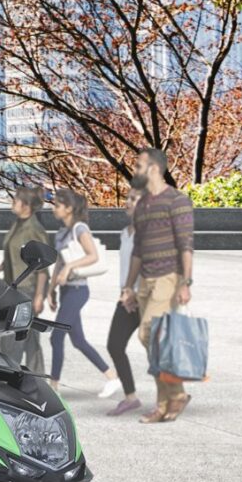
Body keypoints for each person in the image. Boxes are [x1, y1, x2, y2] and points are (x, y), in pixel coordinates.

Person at [120, 147, 195, 423]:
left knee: (147, 333)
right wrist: (128, 286)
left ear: (153, 168)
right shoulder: (142, 205)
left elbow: (186, 244)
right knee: (156, 342)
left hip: (168, 278)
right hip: (145, 281)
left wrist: (186, 282)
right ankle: (168, 402)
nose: (135, 170)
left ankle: (170, 398)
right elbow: (137, 250)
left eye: (138, 166)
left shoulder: (177, 201)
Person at [45, 188, 120, 398]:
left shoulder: (80, 229)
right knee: (78, 340)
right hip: (67, 291)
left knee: (56, 336)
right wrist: (51, 291)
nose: (54, 209)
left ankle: (54, 386)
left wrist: (70, 268)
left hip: (79, 290)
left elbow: (93, 256)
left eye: (57, 205)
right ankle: (112, 377)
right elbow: (59, 263)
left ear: (68, 208)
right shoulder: (62, 233)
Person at [103, 176, 149, 416]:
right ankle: (131, 397)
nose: (127, 202)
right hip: (127, 297)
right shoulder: (126, 232)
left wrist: (134, 291)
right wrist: (125, 292)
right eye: (128, 198)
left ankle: (174, 394)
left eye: (134, 199)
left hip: (147, 298)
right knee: (115, 344)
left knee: (156, 348)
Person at [0, 187, 49, 376]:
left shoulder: (33, 230)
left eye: (15, 201)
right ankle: (33, 375)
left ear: (25, 205)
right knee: (27, 337)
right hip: (13, 287)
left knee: (17, 337)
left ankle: (17, 374)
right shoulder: (18, 225)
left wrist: (40, 296)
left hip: (27, 289)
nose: (13, 204)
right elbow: (13, 255)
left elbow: (42, 266)